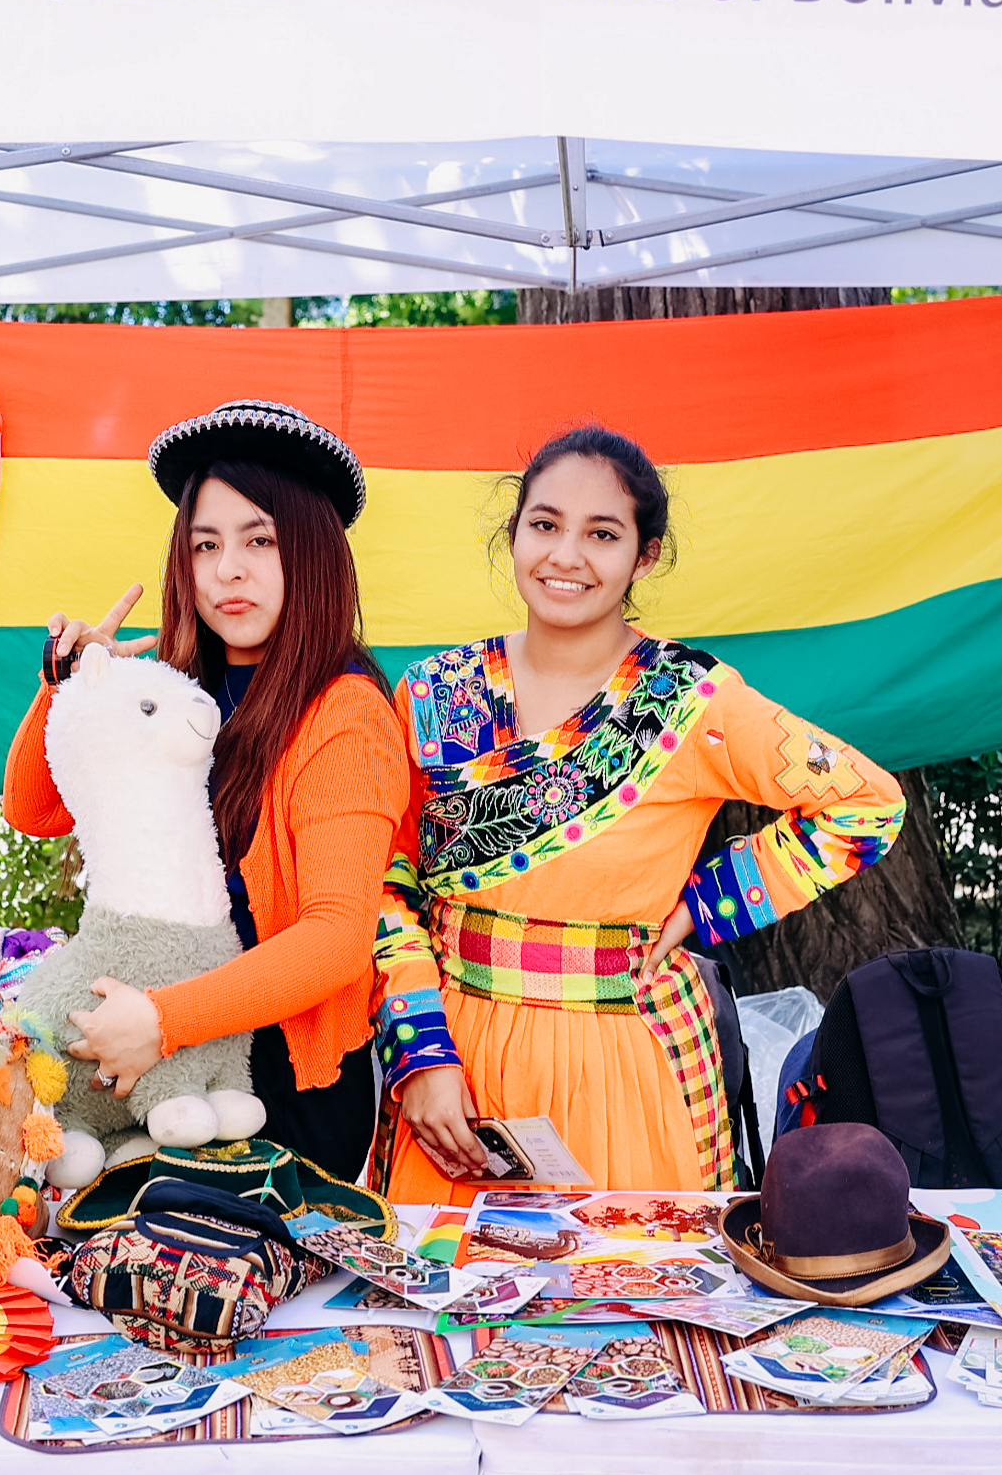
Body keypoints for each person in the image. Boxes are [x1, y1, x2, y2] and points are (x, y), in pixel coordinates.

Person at [375, 425, 906, 1200]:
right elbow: (386, 880)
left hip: (626, 1065)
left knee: (621, 1273)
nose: (565, 555)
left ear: (644, 556)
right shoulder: (432, 693)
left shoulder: (691, 699)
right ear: (514, 532)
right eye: (545, 524)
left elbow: (866, 801)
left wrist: (710, 903)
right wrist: (421, 1051)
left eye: (602, 534)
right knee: (445, 1277)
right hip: (456, 1063)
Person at [2, 400, 413, 1179]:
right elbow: (35, 809)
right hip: (150, 1067)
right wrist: (65, 685)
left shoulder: (346, 712)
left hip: (273, 1084)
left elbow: (335, 938)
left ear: (314, 553)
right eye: (206, 543)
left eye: (261, 540)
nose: (228, 568)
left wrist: (162, 1020)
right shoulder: (176, 685)